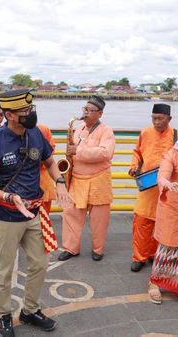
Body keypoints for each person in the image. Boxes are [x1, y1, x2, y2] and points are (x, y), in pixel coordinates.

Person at [0, 89, 73, 337]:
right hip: (6, 216)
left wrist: (60, 183)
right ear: (9, 115)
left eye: (31, 110)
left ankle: (29, 310)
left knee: (40, 263)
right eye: (25, 112)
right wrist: (9, 196)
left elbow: (50, 162)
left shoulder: (36, 133)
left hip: (33, 213)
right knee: (4, 270)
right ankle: (4, 316)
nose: (31, 114)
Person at [58, 95, 115, 262]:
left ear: (100, 114)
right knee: (70, 214)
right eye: (85, 109)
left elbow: (106, 153)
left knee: (99, 219)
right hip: (77, 178)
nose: (86, 113)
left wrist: (77, 151)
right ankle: (70, 248)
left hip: (98, 180)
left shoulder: (106, 131)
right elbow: (72, 149)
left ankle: (98, 249)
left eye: (91, 110)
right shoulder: (79, 129)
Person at [148, 123, 178, 304]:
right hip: (173, 211)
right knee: (167, 248)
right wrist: (168, 184)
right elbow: (163, 175)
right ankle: (154, 282)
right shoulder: (172, 155)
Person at [129, 103, 178, 272]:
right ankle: (139, 257)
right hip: (147, 187)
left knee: (161, 224)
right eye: (153, 118)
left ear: (169, 119)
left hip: (166, 189)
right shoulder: (145, 132)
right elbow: (137, 152)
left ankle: (153, 254)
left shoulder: (177, 136)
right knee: (142, 222)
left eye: (160, 119)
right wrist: (134, 166)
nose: (156, 122)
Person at [38, 124, 56, 214]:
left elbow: (51, 149)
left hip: (44, 179)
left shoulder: (43, 129)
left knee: (44, 217)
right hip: (26, 180)